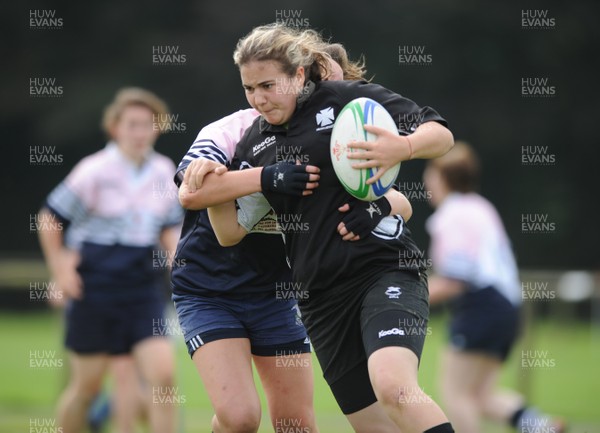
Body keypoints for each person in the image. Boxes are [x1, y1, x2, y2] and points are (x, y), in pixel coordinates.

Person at [197, 23, 455, 433]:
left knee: (394, 387)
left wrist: (402, 146)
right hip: (319, 299)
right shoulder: (253, 144)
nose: (259, 99)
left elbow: (440, 134)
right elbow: (230, 233)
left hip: (383, 270)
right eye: (249, 89)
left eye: (268, 85)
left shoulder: (344, 99)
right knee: (374, 425)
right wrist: (213, 184)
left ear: (299, 75)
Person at [37, 87, 182, 433]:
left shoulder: (164, 170)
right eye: (131, 124)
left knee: (163, 377)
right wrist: (60, 270)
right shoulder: (94, 170)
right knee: (87, 388)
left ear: (157, 128)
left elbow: (170, 227)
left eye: (147, 124)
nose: (139, 132)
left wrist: (181, 263)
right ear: (115, 127)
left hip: (142, 289)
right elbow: (49, 218)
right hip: (95, 286)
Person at [423, 141, 566, 433]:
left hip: (483, 305)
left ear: (442, 177)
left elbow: (454, 281)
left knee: (456, 393)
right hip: (508, 307)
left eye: (430, 173)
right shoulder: (481, 207)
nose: (426, 181)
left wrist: (406, 298)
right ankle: (543, 427)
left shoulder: (451, 216)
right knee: (482, 396)